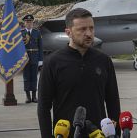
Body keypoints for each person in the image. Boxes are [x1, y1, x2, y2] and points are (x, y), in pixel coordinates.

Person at [38, 8, 121, 137]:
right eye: (82, 29)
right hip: (65, 134)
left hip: (98, 134)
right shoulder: (52, 62)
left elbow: (113, 102)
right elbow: (43, 107)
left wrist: (116, 134)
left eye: (91, 28)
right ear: (68, 32)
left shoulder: (104, 61)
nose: (89, 33)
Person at [21, 14, 43, 103]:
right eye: (27, 22)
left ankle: (34, 96)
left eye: (30, 22)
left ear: (32, 23)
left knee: (34, 77)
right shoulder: (21, 33)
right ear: (24, 23)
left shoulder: (37, 32)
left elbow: (40, 47)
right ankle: (28, 96)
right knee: (26, 77)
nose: (29, 23)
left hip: (34, 57)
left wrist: (41, 60)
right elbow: (18, 47)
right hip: (25, 58)